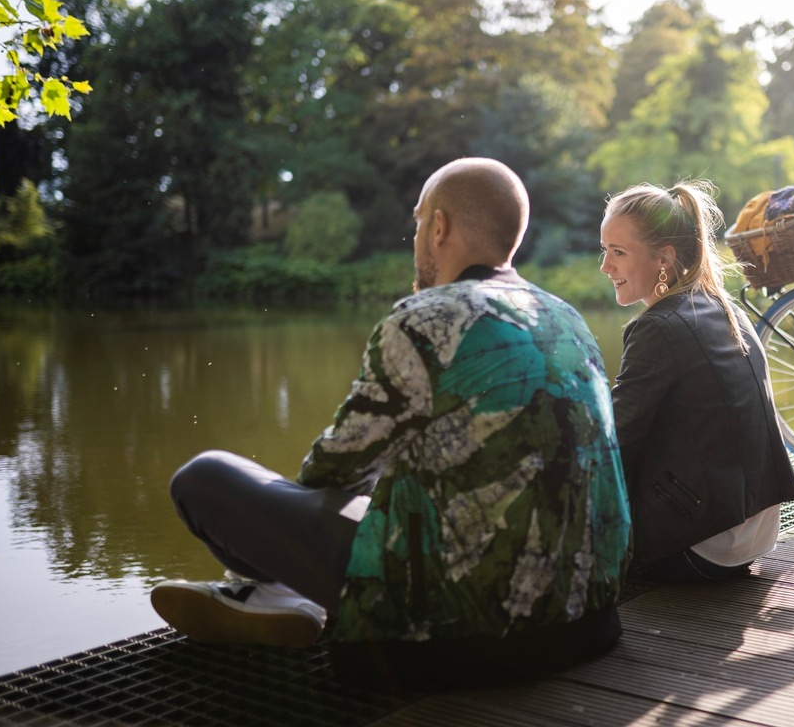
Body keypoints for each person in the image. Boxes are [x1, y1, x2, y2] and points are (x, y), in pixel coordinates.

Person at [150, 158, 631, 685]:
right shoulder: (566, 318)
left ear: (439, 227)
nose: (416, 236)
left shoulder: (423, 318)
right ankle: (278, 596)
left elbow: (331, 474)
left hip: (467, 636)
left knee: (204, 478)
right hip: (588, 622)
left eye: (419, 221)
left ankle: (279, 593)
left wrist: (289, 546)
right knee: (396, 485)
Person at [599, 179, 794, 582]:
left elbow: (612, 443)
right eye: (605, 251)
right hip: (752, 530)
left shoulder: (659, 327)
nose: (606, 267)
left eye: (618, 253)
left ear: (664, 258)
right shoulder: (723, 308)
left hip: (702, 545)